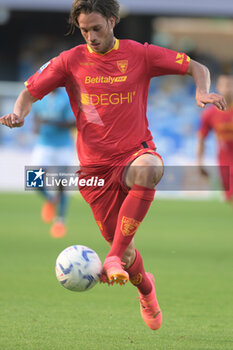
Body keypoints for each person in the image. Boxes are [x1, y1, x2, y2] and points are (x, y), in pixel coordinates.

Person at [0, 0, 226, 330]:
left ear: (112, 20)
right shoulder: (70, 61)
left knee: (148, 169)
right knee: (130, 257)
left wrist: (202, 91)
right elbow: (29, 93)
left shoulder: (140, 54)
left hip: (135, 153)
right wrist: (19, 114)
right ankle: (146, 290)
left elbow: (198, 67)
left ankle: (112, 257)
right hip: (94, 173)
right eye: (84, 30)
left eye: (96, 28)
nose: (90, 36)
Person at [32, 88, 77, 238]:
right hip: (43, 144)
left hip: (62, 146)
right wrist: (36, 127)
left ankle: (60, 222)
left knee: (62, 185)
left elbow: (73, 123)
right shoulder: (40, 97)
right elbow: (36, 115)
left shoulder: (67, 98)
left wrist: (50, 122)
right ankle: (51, 199)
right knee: (33, 180)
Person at [197, 74, 233, 209]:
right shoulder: (210, 114)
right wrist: (200, 162)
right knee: (230, 197)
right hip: (224, 162)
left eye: (230, 85)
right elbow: (201, 138)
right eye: (224, 85)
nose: (227, 89)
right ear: (218, 87)